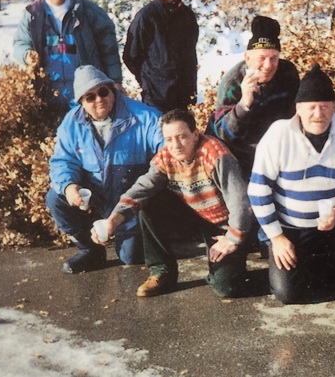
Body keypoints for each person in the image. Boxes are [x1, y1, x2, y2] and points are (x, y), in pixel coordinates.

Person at [248, 64, 335, 304]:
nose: (318, 114)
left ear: (334, 107)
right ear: (298, 108)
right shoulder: (278, 134)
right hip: (290, 229)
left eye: (325, 106)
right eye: (311, 107)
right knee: (288, 294)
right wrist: (276, 238)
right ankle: (315, 266)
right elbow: (258, 190)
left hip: (334, 222)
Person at [92, 109, 254, 298]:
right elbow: (142, 187)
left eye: (181, 137)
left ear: (195, 134)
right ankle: (162, 272)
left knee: (227, 288)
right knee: (149, 202)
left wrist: (232, 238)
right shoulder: (167, 155)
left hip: (220, 222)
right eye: (169, 139)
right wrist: (113, 219)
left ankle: (227, 271)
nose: (175, 145)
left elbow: (240, 201)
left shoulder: (215, 154)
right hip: (191, 214)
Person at [46, 65, 163, 274]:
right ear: (81, 102)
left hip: (132, 196)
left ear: (113, 90)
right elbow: (62, 161)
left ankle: (153, 236)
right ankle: (89, 250)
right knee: (55, 198)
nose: (99, 99)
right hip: (97, 192)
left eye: (103, 92)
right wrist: (69, 187)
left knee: (130, 256)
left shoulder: (146, 116)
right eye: (90, 97)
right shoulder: (70, 123)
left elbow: (165, 154)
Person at [13, 0, 122, 112]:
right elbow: (20, 42)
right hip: (48, 91)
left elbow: (109, 50)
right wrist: (26, 55)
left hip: (85, 92)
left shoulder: (88, 12)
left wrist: (115, 80)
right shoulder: (33, 15)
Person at [209, 15, 299, 178]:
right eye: (262, 58)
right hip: (243, 155)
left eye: (274, 58)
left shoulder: (288, 73)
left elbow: (297, 113)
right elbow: (222, 134)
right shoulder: (233, 83)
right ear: (247, 57)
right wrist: (244, 105)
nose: (268, 65)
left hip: (281, 150)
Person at [123, 0, 199, 113]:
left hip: (184, 94)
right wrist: (150, 81)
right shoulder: (146, 16)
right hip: (157, 98)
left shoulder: (187, 15)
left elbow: (191, 52)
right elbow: (131, 56)